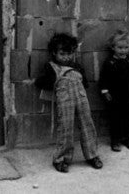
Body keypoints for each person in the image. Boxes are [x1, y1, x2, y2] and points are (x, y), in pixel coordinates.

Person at [35, 33, 103, 173]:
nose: (66, 57)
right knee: (65, 128)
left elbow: (84, 83)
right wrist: (55, 81)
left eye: (69, 53)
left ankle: (92, 155)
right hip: (64, 100)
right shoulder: (50, 67)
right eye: (62, 54)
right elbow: (40, 83)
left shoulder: (77, 66)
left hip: (81, 97)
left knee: (87, 124)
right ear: (54, 53)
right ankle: (61, 159)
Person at [99, 30, 129, 152]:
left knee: (128, 118)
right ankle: (115, 140)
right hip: (114, 97)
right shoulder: (109, 63)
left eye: (126, 48)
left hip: (128, 96)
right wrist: (105, 92)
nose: (123, 50)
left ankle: (128, 139)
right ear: (113, 47)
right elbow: (104, 79)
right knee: (115, 118)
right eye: (120, 48)